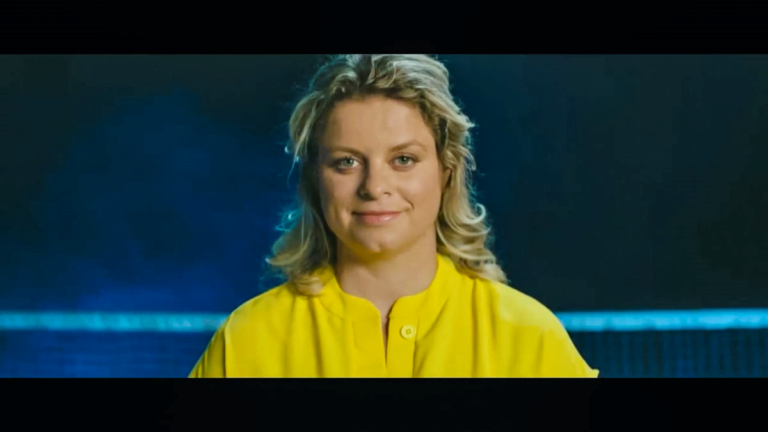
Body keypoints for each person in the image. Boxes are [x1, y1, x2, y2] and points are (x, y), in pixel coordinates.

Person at [189, 54, 598, 378]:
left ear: (447, 171)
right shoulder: (247, 339)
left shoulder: (529, 335)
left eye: (403, 159)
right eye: (347, 161)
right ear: (315, 180)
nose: (374, 186)